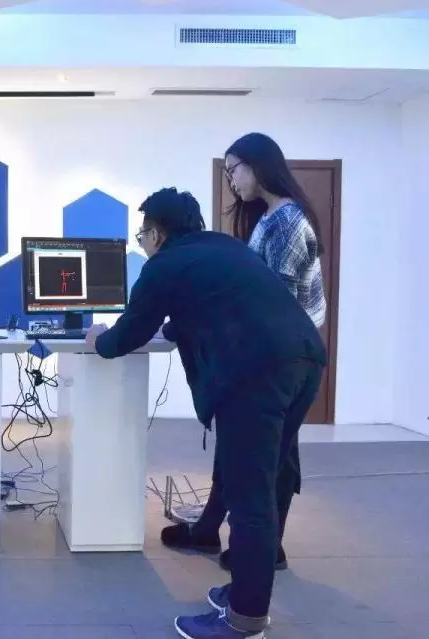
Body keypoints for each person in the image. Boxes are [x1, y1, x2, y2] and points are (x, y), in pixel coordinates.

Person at [85, 187, 326, 639]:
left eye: (142, 235)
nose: (143, 243)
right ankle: (245, 589)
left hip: (255, 372)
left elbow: (126, 336)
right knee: (262, 480)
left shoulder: (163, 266)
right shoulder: (224, 248)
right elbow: (224, 305)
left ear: (156, 235)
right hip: (306, 360)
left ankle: (245, 618)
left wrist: (97, 338)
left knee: (249, 496)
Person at [160, 132, 328, 573]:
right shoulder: (270, 218)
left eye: (234, 169)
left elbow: (268, 303)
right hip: (269, 356)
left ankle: (267, 549)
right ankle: (210, 528)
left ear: (259, 165)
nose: (231, 180)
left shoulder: (286, 222)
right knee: (243, 450)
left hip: (277, 360)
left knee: (271, 460)